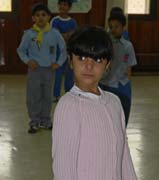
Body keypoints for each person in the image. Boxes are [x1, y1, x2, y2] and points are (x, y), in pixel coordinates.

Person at [52, 26, 137, 180]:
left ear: (107, 65)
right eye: (82, 58)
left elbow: (123, 154)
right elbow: (64, 166)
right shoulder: (68, 106)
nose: (89, 66)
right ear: (70, 61)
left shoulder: (114, 102)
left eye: (97, 59)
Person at [17, 3, 67, 133]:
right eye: (37, 15)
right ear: (33, 18)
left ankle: (45, 120)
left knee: (47, 96)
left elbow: (63, 50)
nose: (41, 18)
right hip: (34, 70)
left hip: (49, 70)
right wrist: (28, 61)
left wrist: (58, 63)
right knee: (34, 96)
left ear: (49, 17)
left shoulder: (55, 34)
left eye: (44, 15)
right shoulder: (29, 34)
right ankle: (34, 121)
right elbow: (21, 50)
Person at [100, 11, 137, 127]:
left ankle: (121, 134)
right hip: (106, 83)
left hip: (122, 85)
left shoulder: (128, 46)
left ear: (123, 27)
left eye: (116, 27)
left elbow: (129, 66)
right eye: (111, 27)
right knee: (106, 113)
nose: (113, 29)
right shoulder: (106, 44)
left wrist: (127, 82)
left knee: (123, 112)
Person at [51, 0, 77, 102]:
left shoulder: (73, 22)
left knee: (69, 74)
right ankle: (55, 95)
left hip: (69, 52)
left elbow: (73, 36)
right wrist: (66, 35)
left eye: (65, 5)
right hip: (58, 53)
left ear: (69, 7)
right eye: (60, 4)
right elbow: (55, 36)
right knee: (57, 75)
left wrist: (64, 35)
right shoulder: (55, 20)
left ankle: (69, 94)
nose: (62, 6)